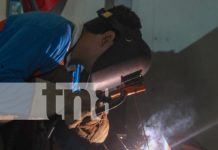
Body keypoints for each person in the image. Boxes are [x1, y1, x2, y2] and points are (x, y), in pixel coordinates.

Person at [0, 5, 151, 147]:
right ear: (106, 38)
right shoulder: (54, 33)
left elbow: (88, 120)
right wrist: (61, 101)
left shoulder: (75, 66)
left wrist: (95, 124)